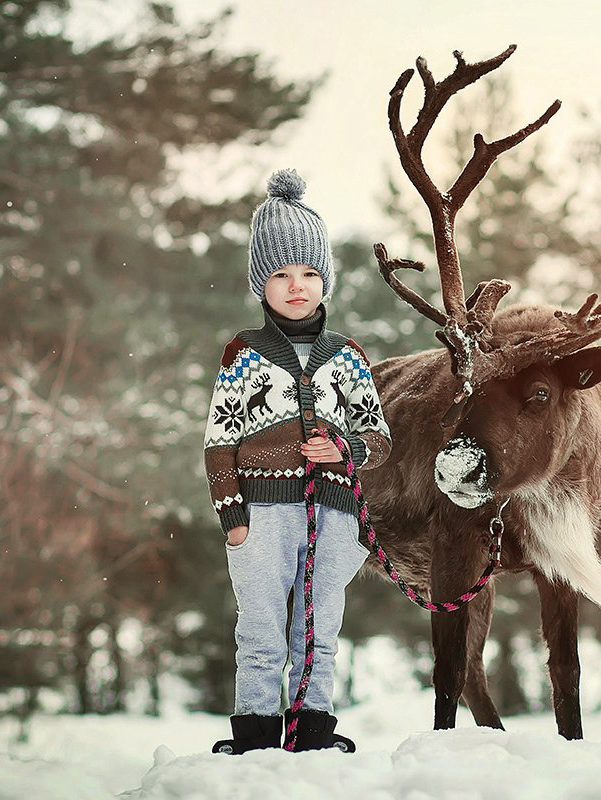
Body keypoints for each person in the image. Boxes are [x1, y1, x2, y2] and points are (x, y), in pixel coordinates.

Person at [203, 168, 392, 754]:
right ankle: (255, 733)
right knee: (260, 630)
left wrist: (345, 449)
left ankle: (312, 731)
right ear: (262, 283)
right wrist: (233, 516)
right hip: (260, 516)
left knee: (316, 632)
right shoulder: (245, 353)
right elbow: (219, 440)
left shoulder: (348, 356)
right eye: (281, 274)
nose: (296, 286)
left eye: (309, 273)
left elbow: (379, 437)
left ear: (325, 281)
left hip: (332, 516)